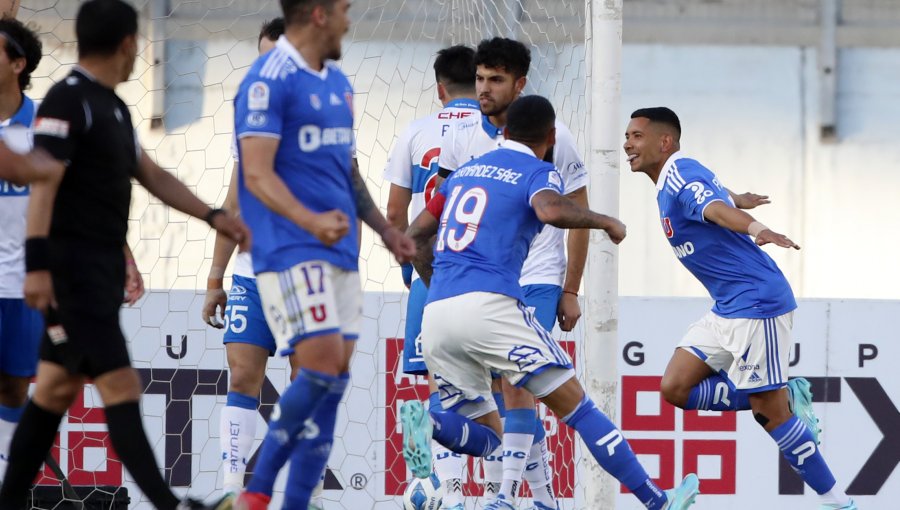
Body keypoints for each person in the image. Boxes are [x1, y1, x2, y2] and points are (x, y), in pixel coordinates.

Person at [0, 1, 249, 509]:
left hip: (97, 274)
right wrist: (40, 265)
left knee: (49, 395)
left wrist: (213, 215)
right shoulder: (68, 101)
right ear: (129, 43)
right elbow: (43, 187)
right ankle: (169, 504)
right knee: (121, 383)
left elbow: (151, 174)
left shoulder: (112, 106)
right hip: (73, 278)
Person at [403, 95, 699, 510]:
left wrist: (440, 287)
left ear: (503, 131)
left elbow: (413, 237)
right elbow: (548, 209)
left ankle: (429, 423)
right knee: (581, 410)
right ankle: (657, 501)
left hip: (437, 315)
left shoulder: (462, 173)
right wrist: (604, 221)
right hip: (491, 307)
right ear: (550, 137)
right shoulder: (538, 171)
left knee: (488, 435)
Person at [231, 0, 416, 508]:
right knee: (319, 367)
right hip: (290, 249)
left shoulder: (337, 83)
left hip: (341, 254)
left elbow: (347, 172)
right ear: (317, 14)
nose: (349, 21)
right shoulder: (267, 81)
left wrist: (383, 228)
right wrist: (310, 220)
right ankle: (256, 492)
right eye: (343, 10)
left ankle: (293, 503)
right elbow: (255, 174)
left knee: (334, 378)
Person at [624, 107, 856, 510]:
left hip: (757, 302)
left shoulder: (679, 174)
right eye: (627, 136)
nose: (627, 144)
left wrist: (755, 227)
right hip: (727, 307)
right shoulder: (677, 177)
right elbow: (713, 196)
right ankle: (784, 392)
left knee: (772, 418)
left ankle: (838, 502)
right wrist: (737, 196)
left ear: (665, 142)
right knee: (675, 388)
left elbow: (713, 209)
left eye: (637, 136)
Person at [436, 37, 588, 508]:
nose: (484, 89)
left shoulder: (554, 136)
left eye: (496, 80)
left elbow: (578, 214)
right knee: (483, 397)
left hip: (537, 276)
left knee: (518, 386)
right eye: (480, 78)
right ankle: (541, 499)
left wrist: (571, 289)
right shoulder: (461, 136)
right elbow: (442, 214)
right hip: (475, 281)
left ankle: (503, 496)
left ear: (519, 85)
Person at [199, 17, 325, 505]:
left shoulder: (328, 119)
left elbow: (350, 196)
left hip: (306, 277)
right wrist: (215, 277)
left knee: (304, 382)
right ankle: (231, 490)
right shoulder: (247, 122)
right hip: (253, 273)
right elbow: (234, 202)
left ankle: (304, 492)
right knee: (242, 375)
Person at [382, 44, 479, 510]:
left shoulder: (417, 131)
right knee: (493, 382)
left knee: (442, 381)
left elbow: (396, 210)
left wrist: (407, 265)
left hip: (430, 266)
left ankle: (442, 487)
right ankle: (478, 488)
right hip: (484, 267)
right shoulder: (495, 130)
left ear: (440, 87)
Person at [0, 15, 42, 482]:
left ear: (17, 64)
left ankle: (7, 477)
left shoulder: (43, 126)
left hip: (23, 280)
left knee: (14, 385)